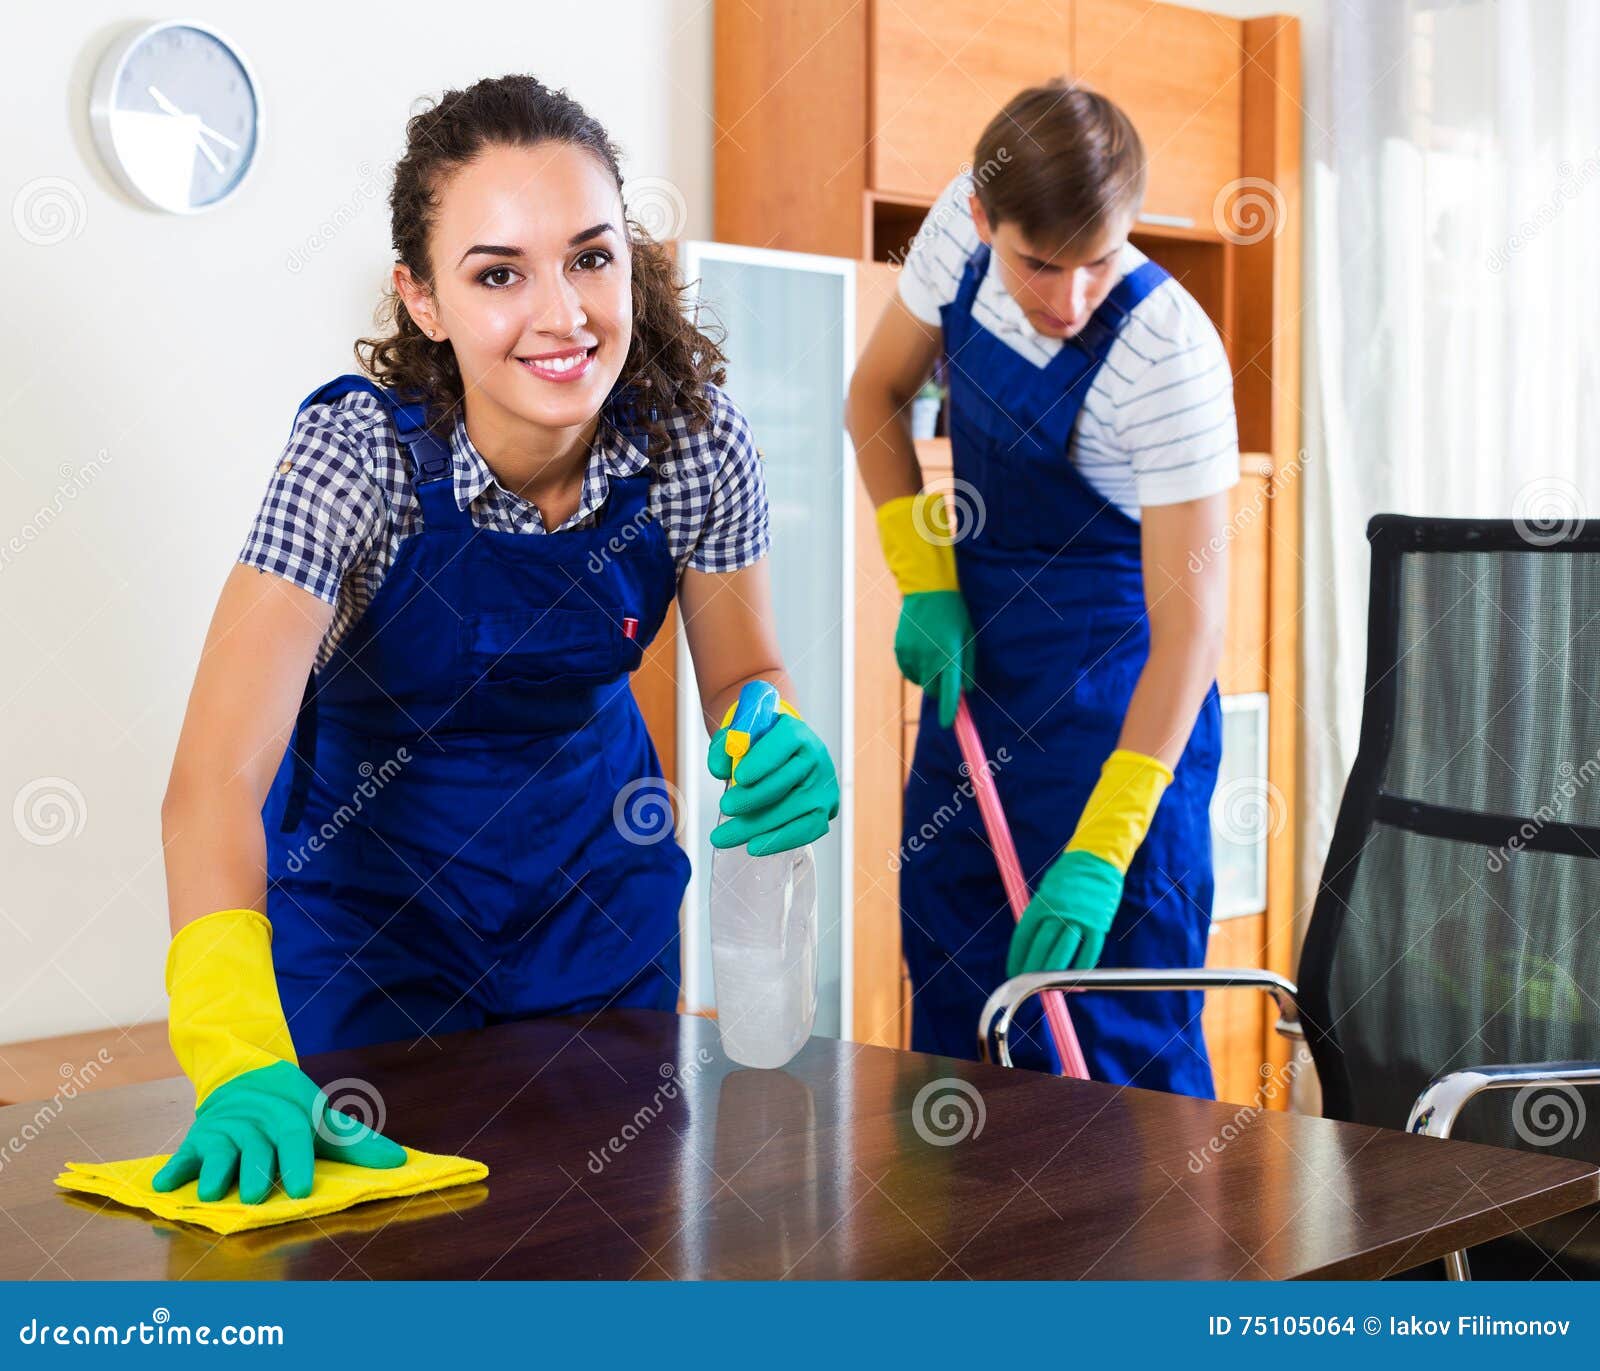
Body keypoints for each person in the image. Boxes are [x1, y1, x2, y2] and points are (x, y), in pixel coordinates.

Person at [155, 73, 840, 1204]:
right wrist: (233, 1051)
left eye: (590, 256)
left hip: (594, 903)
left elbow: (745, 674)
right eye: (496, 274)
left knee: (606, 1245)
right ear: (421, 298)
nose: (563, 313)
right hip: (366, 926)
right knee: (377, 1270)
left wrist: (772, 734)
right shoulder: (353, 462)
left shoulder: (693, 444)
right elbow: (212, 784)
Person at [848, 81, 1234, 1093]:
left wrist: (1105, 848)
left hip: (1118, 717)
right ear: (982, 221)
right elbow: (874, 396)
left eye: (1099, 261)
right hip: (975, 689)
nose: (1068, 301)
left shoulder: (1169, 357)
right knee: (954, 1013)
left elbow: (1190, 632)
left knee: (1114, 1051)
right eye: (1038, 264)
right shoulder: (954, 235)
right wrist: (921, 578)